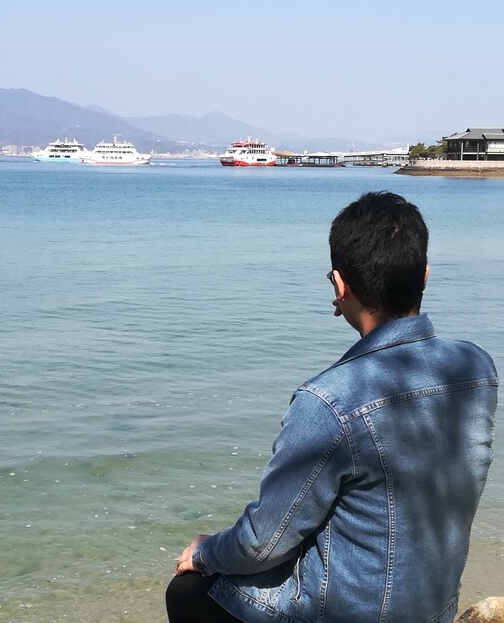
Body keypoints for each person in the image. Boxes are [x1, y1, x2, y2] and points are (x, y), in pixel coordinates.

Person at [165, 191, 498, 623]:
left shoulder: (328, 402)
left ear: (340, 286)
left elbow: (261, 543)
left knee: (187, 590)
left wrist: (205, 551)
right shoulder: (476, 368)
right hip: (432, 608)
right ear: (426, 276)